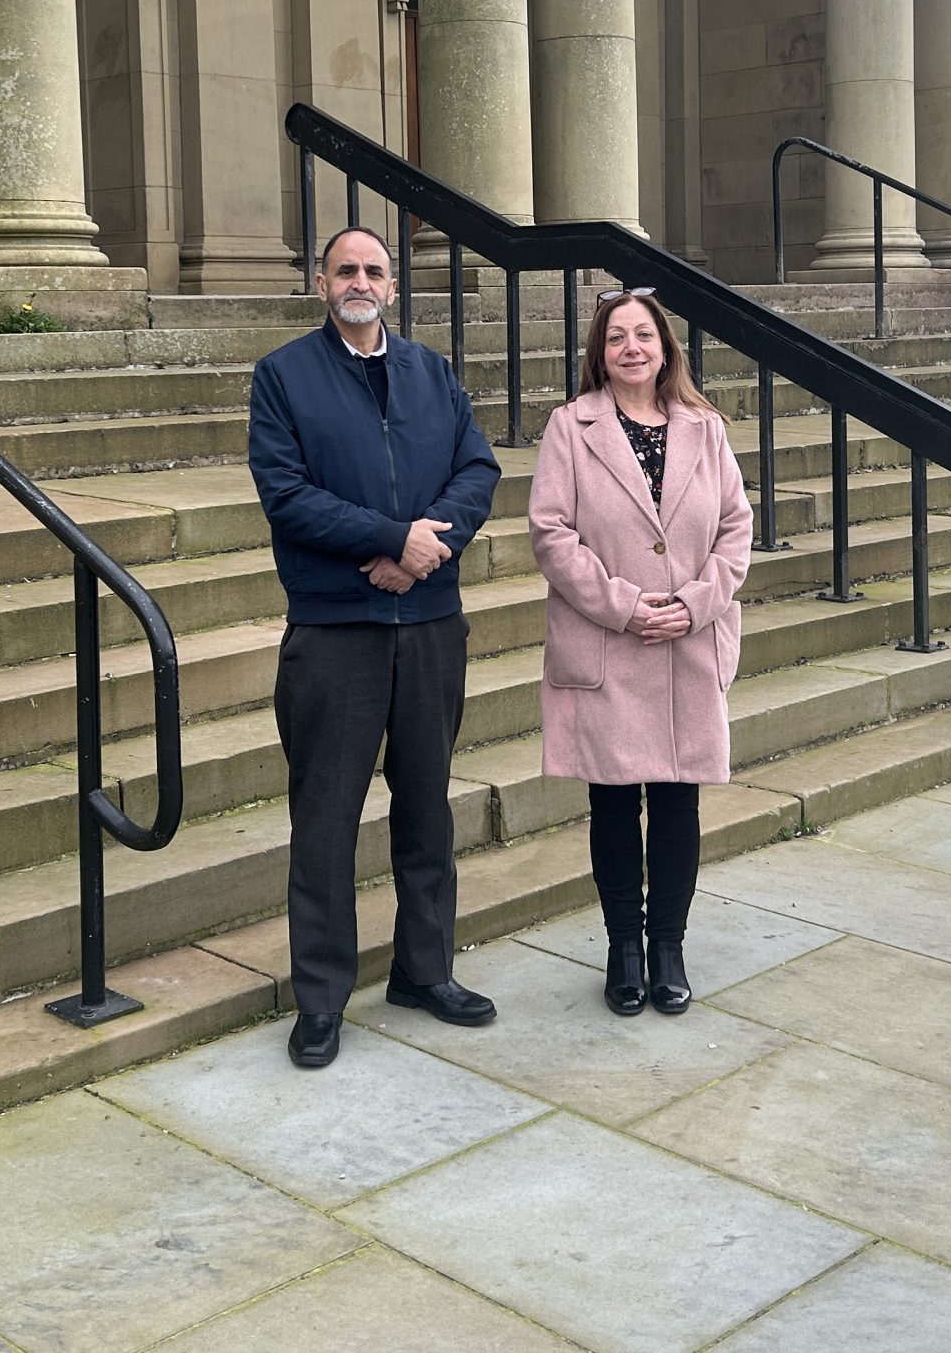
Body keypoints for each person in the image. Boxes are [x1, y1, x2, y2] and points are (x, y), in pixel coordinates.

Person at [246, 226, 502, 1068]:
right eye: (345, 269)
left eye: (374, 270)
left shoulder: (432, 372)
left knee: (427, 807)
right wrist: (395, 538)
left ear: (393, 288)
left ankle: (424, 971)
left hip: (430, 627)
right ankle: (321, 1000)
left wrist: (427, 549)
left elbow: (478, 472)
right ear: (322, 283)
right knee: (325, 823)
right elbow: (287, 496)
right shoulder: (283, 376)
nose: (360, 281)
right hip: (334, 633)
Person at [527, 286, 751, 1015]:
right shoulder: (571, 426)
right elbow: (552, 534)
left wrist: (692, 605)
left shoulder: (705, 428)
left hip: (689, 641)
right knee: (615, 802)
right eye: (617, 336)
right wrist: (624, 606)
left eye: (644, 336)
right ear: (599, 352)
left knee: (679, 802)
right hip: (608, 642)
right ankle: (625, 946)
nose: (631, 347)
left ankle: (669, 947)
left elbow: (736, 531)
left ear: (665, 348)